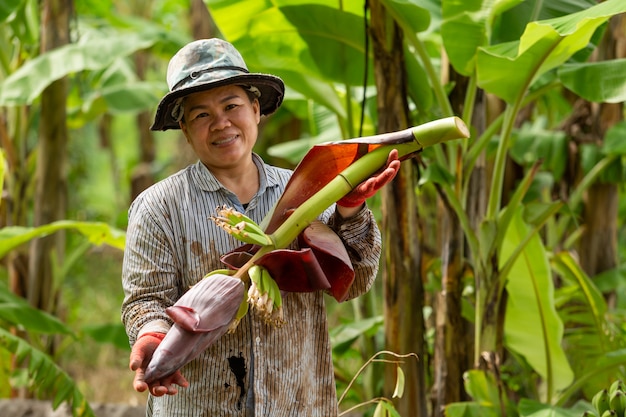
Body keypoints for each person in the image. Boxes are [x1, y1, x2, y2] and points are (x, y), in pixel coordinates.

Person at [121, 38, 400, 416]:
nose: (221, 123)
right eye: (201, 115)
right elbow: (145, 300)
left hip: (298, 402)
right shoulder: (159, 207)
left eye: (231, 106)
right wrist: (153, 335)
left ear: (255, 110)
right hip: (199, 403)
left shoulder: (309, 191)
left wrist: (350, 208)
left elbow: (356, 282)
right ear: (185, 130)